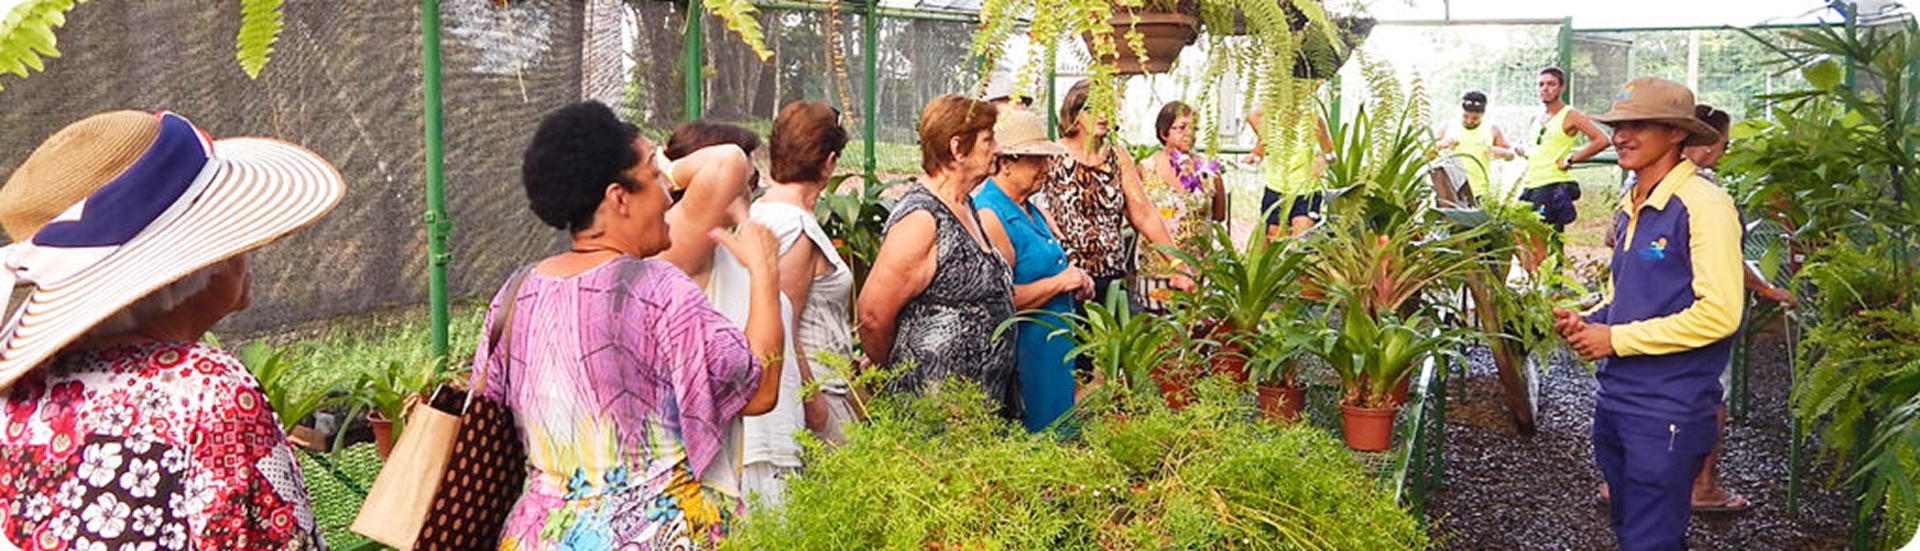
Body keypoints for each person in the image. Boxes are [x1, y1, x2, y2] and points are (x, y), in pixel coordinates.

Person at [0, 110, 345, 548]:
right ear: (192, 268)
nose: (247, 248)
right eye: (228, 226)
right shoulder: (201, 391)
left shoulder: (19, 396)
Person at [483, 101, 786, 548]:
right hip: (653, 533)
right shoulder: (660, 290)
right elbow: (759, 392)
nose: (669, 191)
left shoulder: (515, 293)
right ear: (618, 198)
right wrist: (764, 274)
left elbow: (493, 405)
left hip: (536, 535)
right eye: (654, 175)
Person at [1552, 77, 1742, 551]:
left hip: (1668, 406)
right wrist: (1588, 319)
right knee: (1629, 524)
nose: (1621, 136)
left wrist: (1613, 340)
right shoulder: (1631, 201)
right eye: (1618, 126)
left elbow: (1721, 314)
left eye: (1639, 125)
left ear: (1677, 132)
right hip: (1618, 396)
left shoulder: (1704, 205)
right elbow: (1627, 295)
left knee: (1651, 537)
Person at [856, 94, 1020, 420]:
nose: (997, 149)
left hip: (979, 413)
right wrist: (891, 371)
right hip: (934, 415)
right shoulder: (922, 219)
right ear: (957, 148)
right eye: (988, 140)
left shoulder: (965, 206)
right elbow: (873, 315)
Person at [975, 109, 1092, 433]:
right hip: (1027, 362)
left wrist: (1076, 281)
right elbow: (1000, 300)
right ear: (1007, 162)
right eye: (1035, 159)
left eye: (1046, 159)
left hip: (1053, 356)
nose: (1045, 168)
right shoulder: (991, 215)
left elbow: (1050, 269)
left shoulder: (1029, 209)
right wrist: (1059, 282)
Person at [751, 101, 848, 454]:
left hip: (803, 389)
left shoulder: (760, 212)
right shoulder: (795, 228)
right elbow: (784, 326)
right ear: (829, 162)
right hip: (811, 394)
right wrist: (816, 408)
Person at [1043, 80, 1192, 309]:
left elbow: (1143, 213)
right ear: (1075, 114)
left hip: (1111, 278)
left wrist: (1177, 263)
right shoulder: (1054, 154)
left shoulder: (1117, 156)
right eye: (1092, 109)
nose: (1102, 115)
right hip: (1067, 277)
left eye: (1108, 108)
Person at [1515, 67, 1611, 270]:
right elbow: (1540, 147)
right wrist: (1524, 151)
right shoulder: (1537, 116)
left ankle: (1549, 291)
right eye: (1541, 84)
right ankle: (1534, 283)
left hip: (1550, 185)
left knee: (1542, 239)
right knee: (1516, 230)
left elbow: (1602, 140)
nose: (1545, 89)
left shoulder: (1570, 115)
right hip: (1531, 182)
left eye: (1551, 84)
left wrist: (1571, 159)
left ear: (1561, 88)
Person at [1135, 101, 1226, 311]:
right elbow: (1137, 214)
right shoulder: (1146, 169)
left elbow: (1219, 214)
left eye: (1194, 128)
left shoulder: (1208, 170)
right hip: (1158, 270)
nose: (1189, 134)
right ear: (1164, 132)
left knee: (1196, 331)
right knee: (1157, 335)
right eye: (1181, 127)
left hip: (1198, 271)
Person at [1246, 86, 1337, 237]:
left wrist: (1322, 161)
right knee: (1276, 244)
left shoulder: (1312, 120)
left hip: (1306, 191)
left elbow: (1331, 154)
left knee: (1301, 241)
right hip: (1276, 189)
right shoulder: (1271, 121)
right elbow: (1252, 116)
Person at [1435, 90, 1515, 195]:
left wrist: (1503, 153)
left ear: (1483, 114)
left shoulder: (1492, 129)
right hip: (1449, 192)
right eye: (1465, 116)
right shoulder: (1447, 127)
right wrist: (1440, 145)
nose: (1469, 121)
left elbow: (1511, 155)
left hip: (1480, 192)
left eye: (1475, 118)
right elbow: (1427, 154)